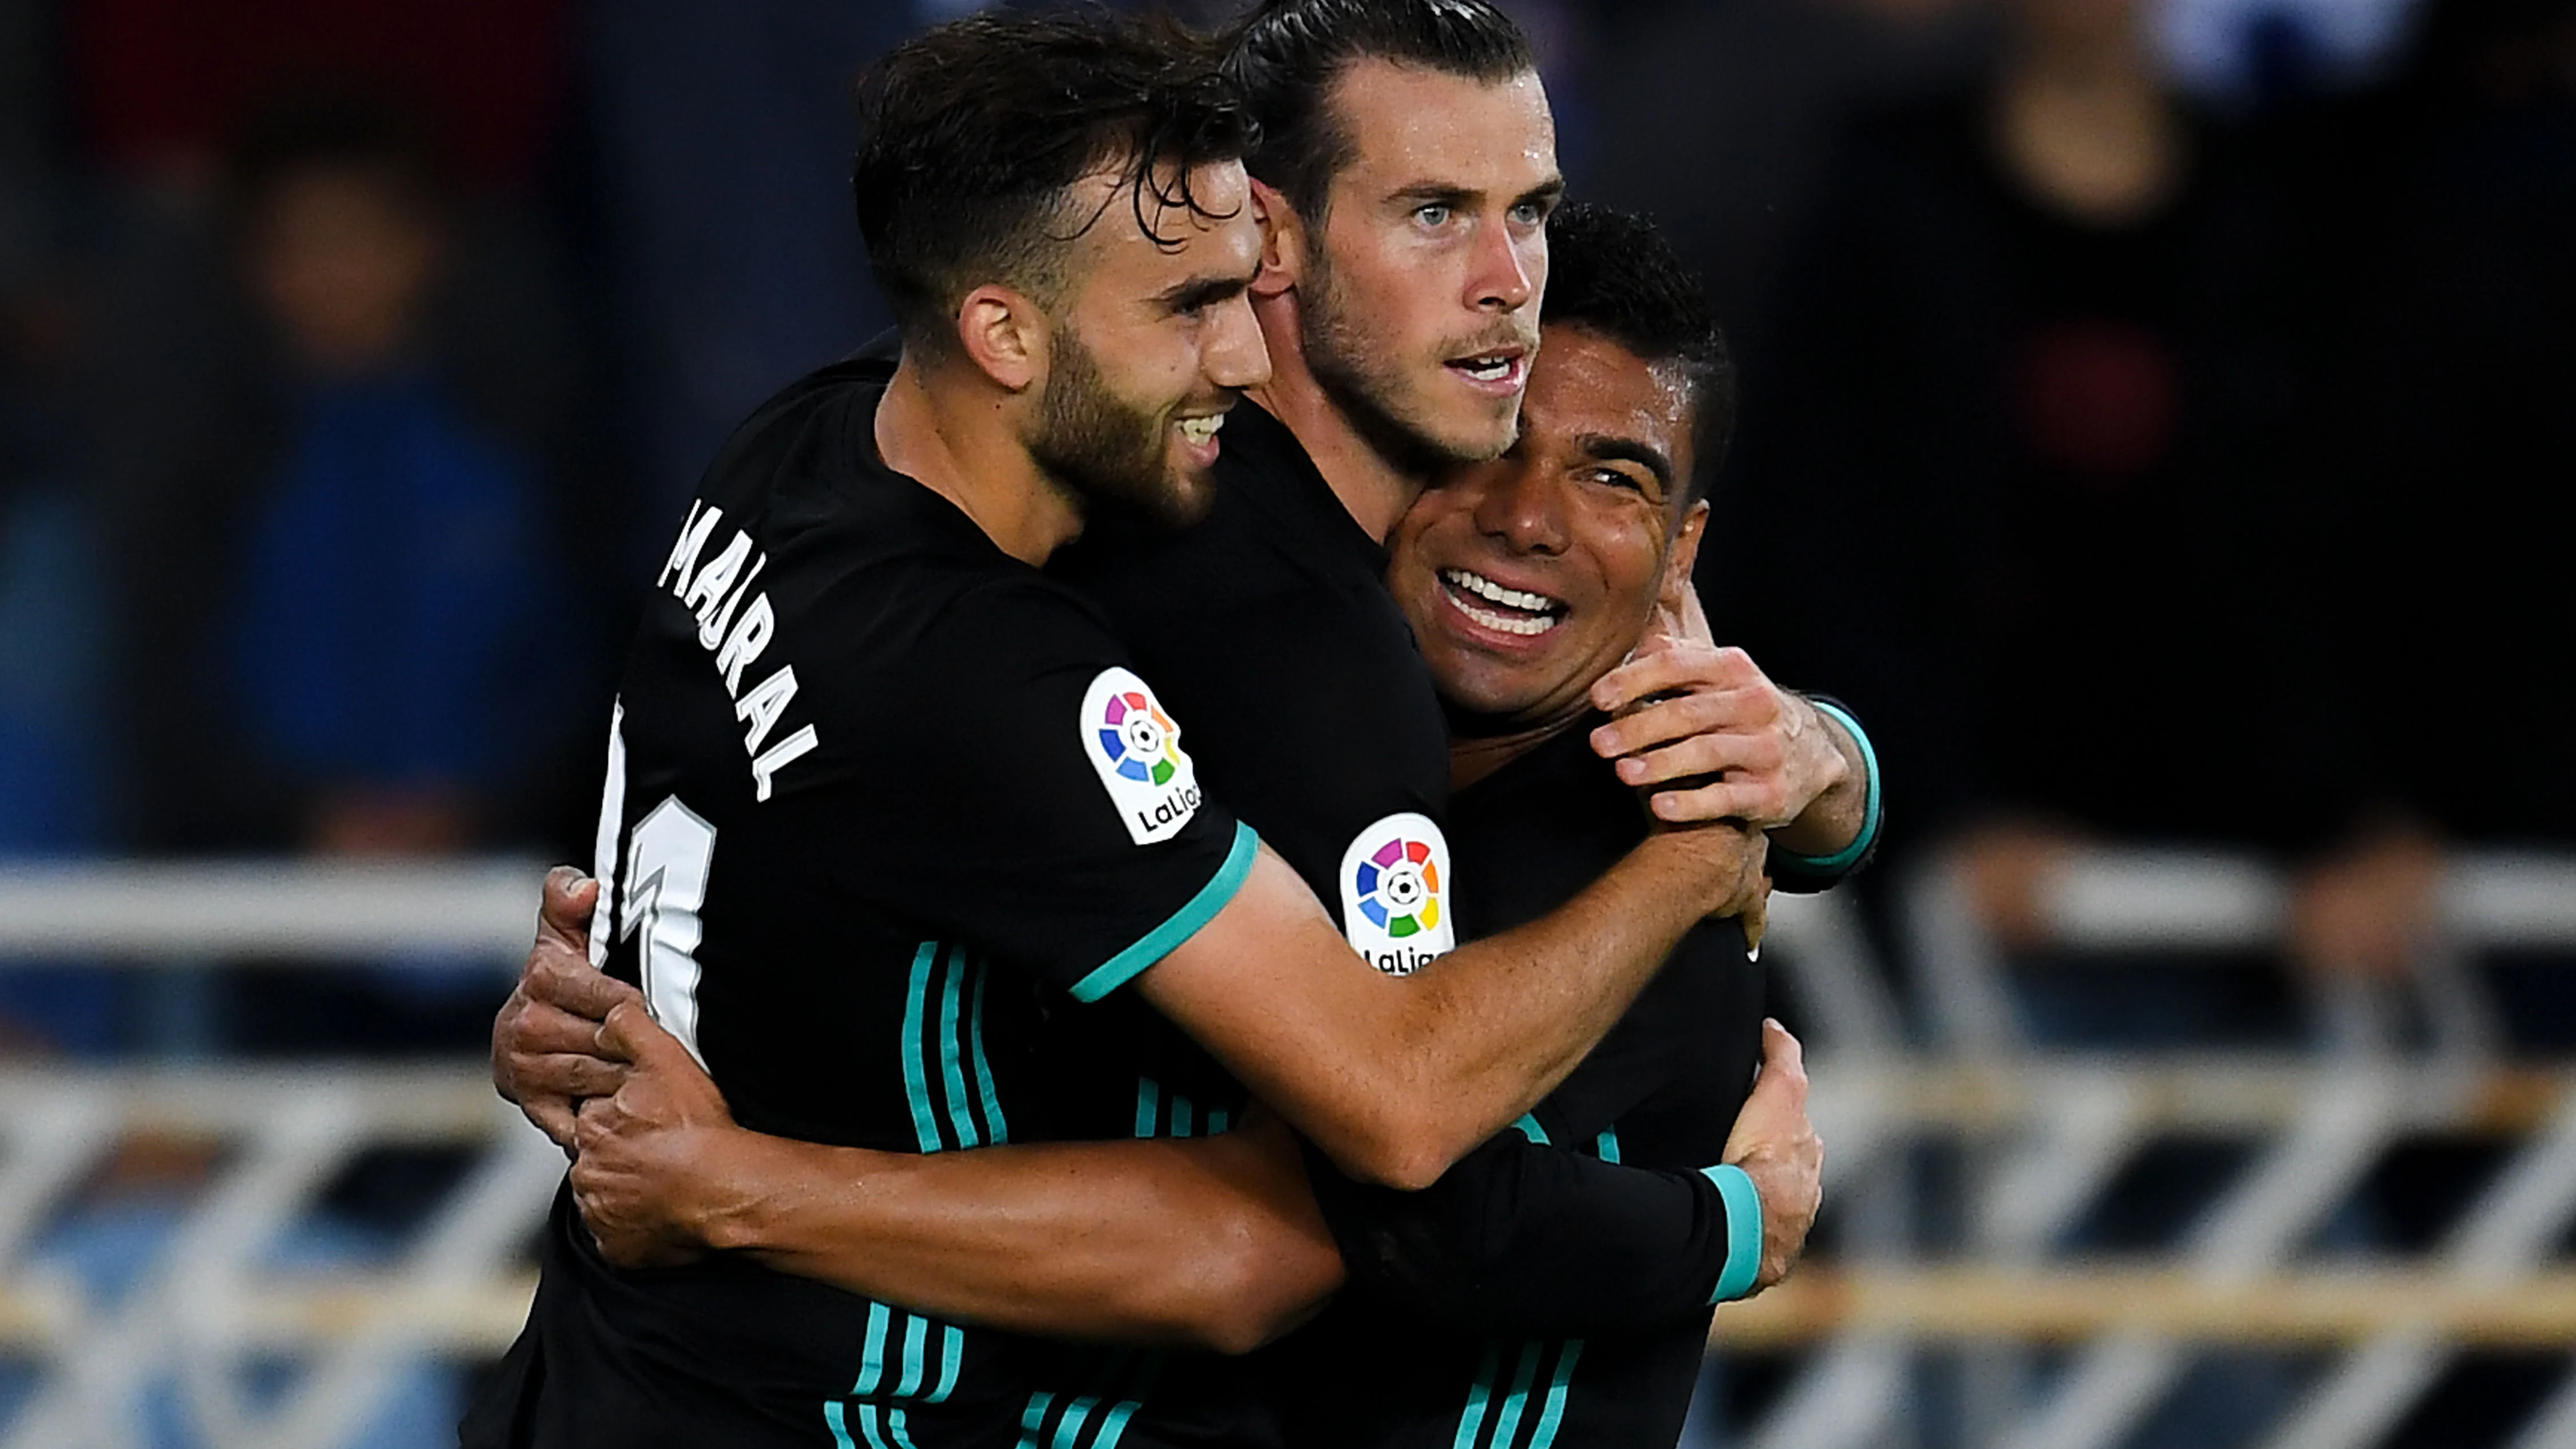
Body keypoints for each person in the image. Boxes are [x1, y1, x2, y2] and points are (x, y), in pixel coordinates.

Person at [467, 14, 1784, 1447]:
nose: (1238, 348)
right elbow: (1336, 1180)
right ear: (1007, 331)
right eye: (1432, 215)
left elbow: (715, 856)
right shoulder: (1132, 669)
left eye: (1528, 213)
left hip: (589, 1377)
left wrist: (1830, 765)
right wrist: (1702, 864)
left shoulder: (809, 440)